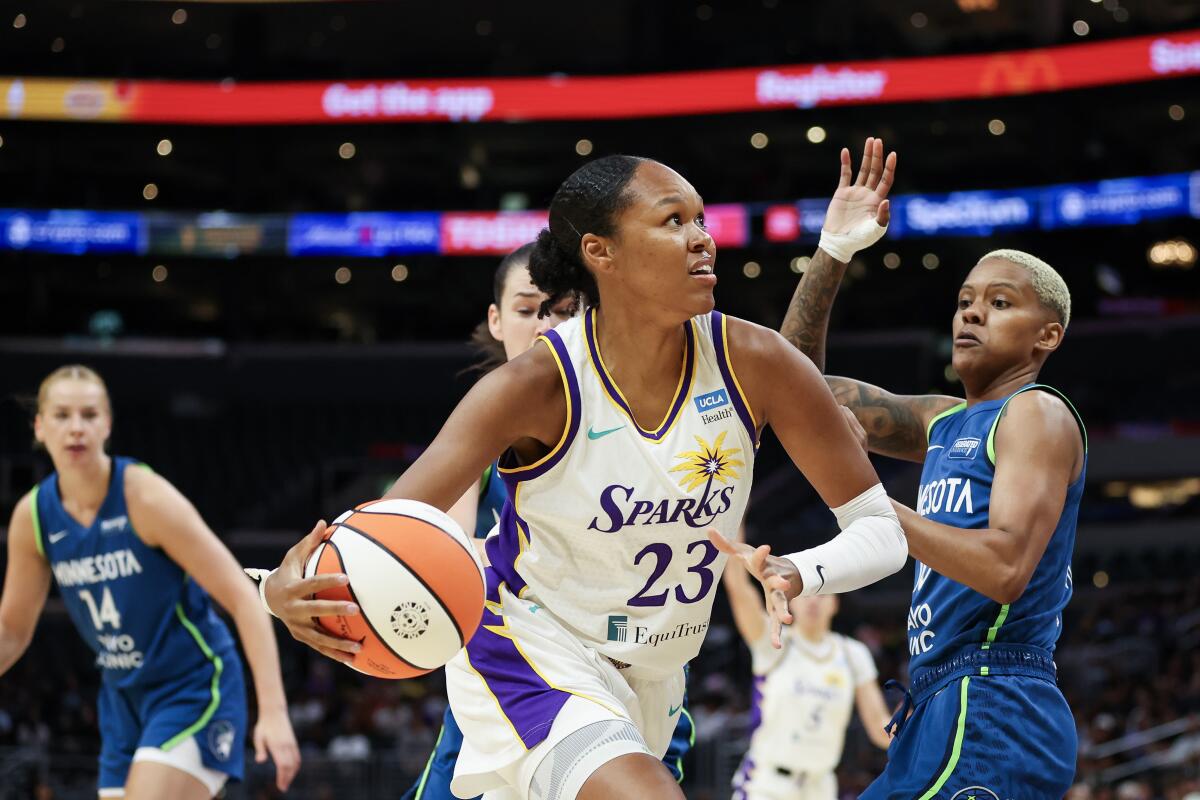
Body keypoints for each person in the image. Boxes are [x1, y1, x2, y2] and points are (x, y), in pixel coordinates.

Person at [264, 149, 908, 800]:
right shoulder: (534, 384)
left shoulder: (757, 361)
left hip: (657, 678)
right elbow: (384, 529)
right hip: (534, 649)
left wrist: (801, 572)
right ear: (602, 252)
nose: (701, 238)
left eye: (701, 219)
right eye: (672, 220)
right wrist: (286, 589)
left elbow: (880, 531)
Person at [779, 137, 1086, 798]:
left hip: (994, 698)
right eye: (966, 299)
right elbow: (791, 389)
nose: (972, 311)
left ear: (1048, 334)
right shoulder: (943, 420)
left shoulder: (1036, 414)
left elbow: (1004, 570)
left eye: (1001, 303)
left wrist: (869, 502)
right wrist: (832, 251)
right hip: (936, 702)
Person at [401, 247, 696, 798]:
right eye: (528, 309)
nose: (546, 324)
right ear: (496, 320)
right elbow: (447, 543)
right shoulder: (480, 428)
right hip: (526, 655)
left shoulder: (642, 410)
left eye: (562, 309)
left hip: (645, 660)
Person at [0, 366, 300, 800]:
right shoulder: (33, 517)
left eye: (89, 414)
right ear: (39, 426)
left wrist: (272, 711)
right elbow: (10, 631)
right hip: (122, 698)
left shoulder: (143, 496)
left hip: (194, 685)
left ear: (107, 423)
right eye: (62, 415)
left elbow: (240, 594)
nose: (76, 428)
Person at [724, 527, 891, 800]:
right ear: (791, 601)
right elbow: (738, 587)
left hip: (821, 787)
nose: (814, 602)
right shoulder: (774, 639)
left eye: (822, 594)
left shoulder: (852, 653)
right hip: (766, 785)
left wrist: (913, 735)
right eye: (806, 594)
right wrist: (737, 520)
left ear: (835, 603)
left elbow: (879, 725)